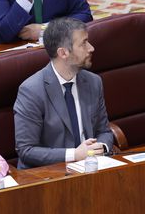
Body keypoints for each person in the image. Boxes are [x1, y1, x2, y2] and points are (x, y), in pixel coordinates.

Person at [14, 17, 113, 169]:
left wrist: (100, 148)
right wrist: (75, 154)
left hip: (91, 167)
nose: (91, 48)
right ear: (63, 53)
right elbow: (26, 150)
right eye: (83, 43)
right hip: (49, 175)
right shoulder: (31, 91)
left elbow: (104, 131)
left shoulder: (93, 82)